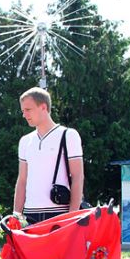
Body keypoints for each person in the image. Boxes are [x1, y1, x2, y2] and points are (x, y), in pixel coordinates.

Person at [14, 87, 84, 224]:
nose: (24, 115)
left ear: (43, 107)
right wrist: (16, 215)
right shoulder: (25, 141)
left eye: (28, 110)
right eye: (23, 111)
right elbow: (22, 180)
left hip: (59, 213)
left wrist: (72, 216)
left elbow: (78, 176)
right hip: (30, 215)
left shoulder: (68, 135)